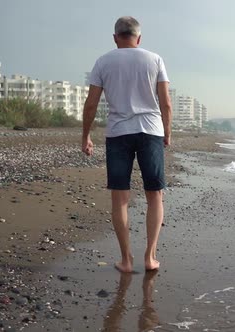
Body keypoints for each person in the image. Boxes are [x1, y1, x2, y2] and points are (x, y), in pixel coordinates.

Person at [81, 16, 172, 272]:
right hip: (150, 131)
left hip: (118, 133)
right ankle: (150, 257)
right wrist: (167, 132)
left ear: (115, 37)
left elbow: (91, 103)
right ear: (138, 38)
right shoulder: (155, 59)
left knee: (120, 197)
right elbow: (165, 102)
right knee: (155, 195)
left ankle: (126, 259)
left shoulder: (103, 61)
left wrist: (85, 136)